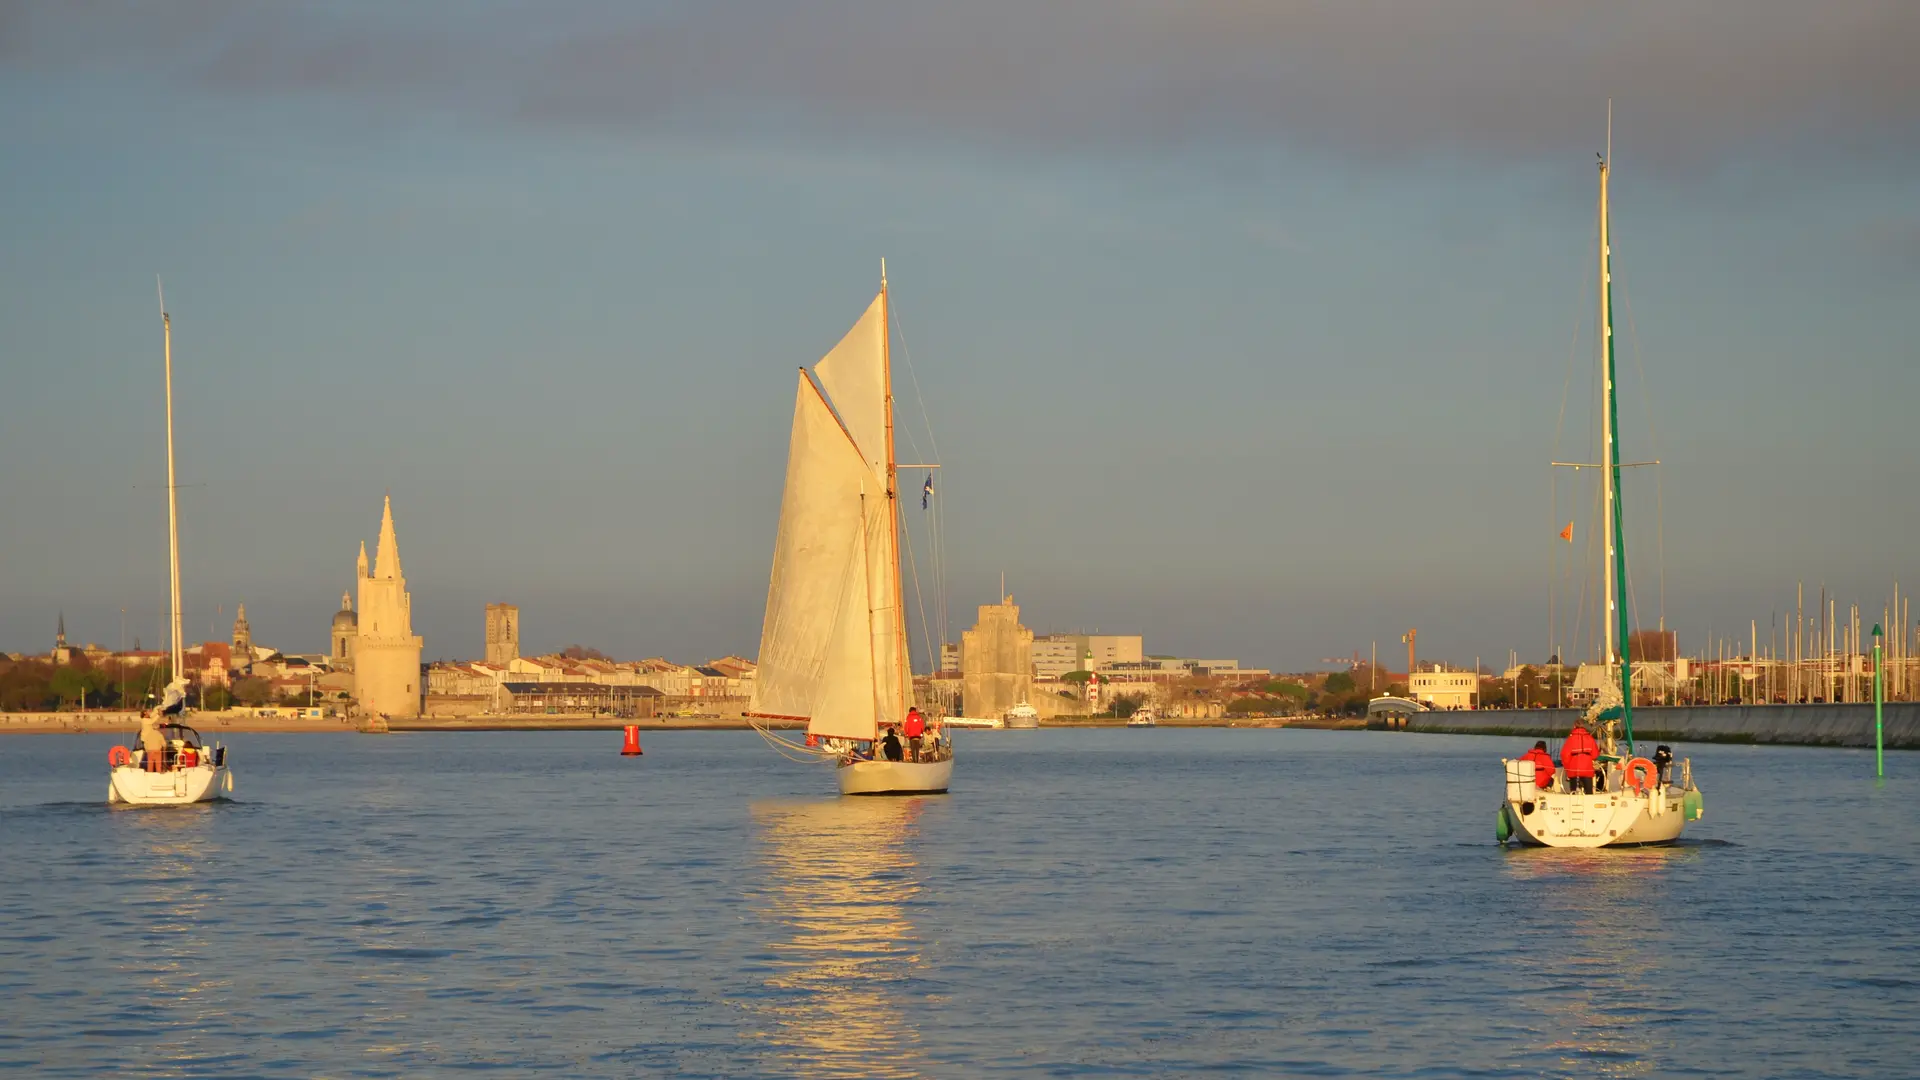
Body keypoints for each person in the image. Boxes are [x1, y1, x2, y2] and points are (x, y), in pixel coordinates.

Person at [1560, 722, 1600, 794]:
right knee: (1589, 793)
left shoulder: (1570, 739)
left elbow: (1564, 755)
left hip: (1574, 770)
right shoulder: (1590, 738)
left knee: (1574, 793)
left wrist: (1567, 768)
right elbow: (1595, 755)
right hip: (1587, 770)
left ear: (1574, 726)